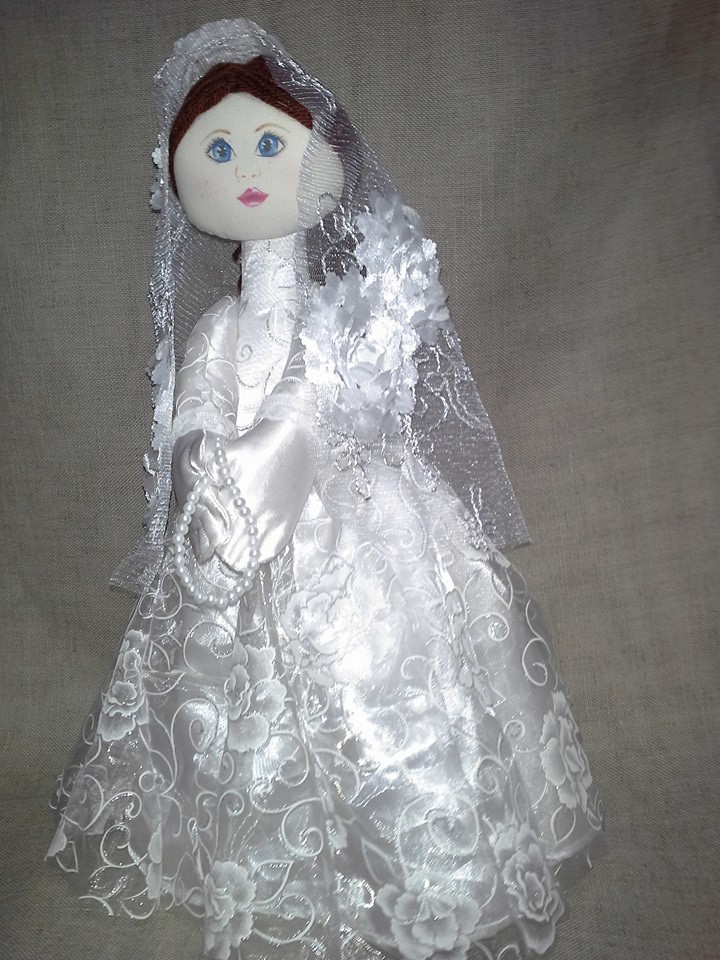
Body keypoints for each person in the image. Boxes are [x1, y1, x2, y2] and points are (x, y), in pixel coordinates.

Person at [47, 19, 603, 960]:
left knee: (383, 665)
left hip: (345, 509)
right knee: (221, 697)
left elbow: (322, 395)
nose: (245, 168)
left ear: (322, 159)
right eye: (217, 151)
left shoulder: (344, 311)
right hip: (230, 509)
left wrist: (274, 455)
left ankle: (424, 858)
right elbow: (196, 402)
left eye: (271, 144)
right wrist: (200, 463)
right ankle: (251, 857)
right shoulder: (218, 327)